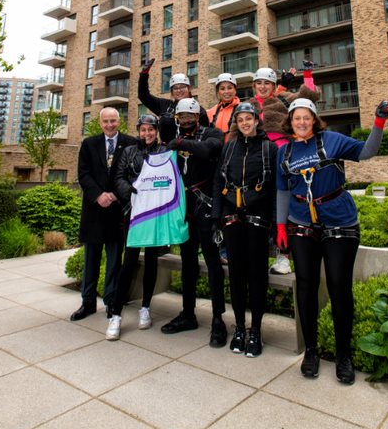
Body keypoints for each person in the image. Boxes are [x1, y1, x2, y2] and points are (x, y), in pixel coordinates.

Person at [276, 97, 388, 384]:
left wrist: (378, 123)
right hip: (302, 222)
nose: (301, 122)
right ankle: (311, 352)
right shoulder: (285, 152)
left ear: (314, 120)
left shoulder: (331, 140)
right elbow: (282, 191)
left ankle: (344, 355)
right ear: (289, 122)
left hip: (339, 219)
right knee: (305, 285)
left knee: (340, 287)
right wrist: (281, 226)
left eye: (306, 117)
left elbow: (366, 152)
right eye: (296, 118)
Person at [160, 98, 227, 347]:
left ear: (198, 116)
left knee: (212, 263)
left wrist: (178, 143)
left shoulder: (212, 132)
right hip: (183, 206)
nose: (187, 119)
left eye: (191, 115)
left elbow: (209, 150)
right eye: (182, 116)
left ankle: (218, 319)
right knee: (188, 262)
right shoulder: (173, 133)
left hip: (206, 204)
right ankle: (188, 314)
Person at [212, 102, 277, 357]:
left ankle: (256, 330)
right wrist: (217, 217)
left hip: (258, 215)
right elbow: (219, 182)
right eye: (241, 120)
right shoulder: (229, 148)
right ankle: (239, 327)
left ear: (256, 121)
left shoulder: (268, 148)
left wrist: (273, 224)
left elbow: (274, 187)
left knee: (257, 275)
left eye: (249, 119)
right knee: (237, 274)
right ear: (236, 123)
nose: (245, 123)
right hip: (232, 216)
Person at [249, 65, 320, 275]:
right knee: (259, 207)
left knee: (282, 207)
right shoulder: (249, 105)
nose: (263, 87)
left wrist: (307, 76)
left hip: (282, 158)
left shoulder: (283, 98)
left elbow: (309, 97)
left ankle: (283, 256)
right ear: (254, 86)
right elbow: (237, 132)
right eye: (259, 83)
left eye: (267, 83)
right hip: (257, 160)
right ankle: (258, 253)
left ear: (273, 85)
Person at [70, 107, 137, 321]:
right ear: (100, 123)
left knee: (115, 260)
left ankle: (111, 302)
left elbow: (133, 174)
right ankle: (87, 302)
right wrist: (98, 195)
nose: (110, 125)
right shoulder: (89, 144)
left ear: (120, 121)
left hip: (118, 211)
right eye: (106, 121)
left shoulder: (131, 143)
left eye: (113, 121)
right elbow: (83, 174)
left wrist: (117, 194)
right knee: (91, 259)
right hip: (94, 210)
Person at [105, 114, 166, 340]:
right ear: (138, 131)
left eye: (151, 130)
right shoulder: (129, 151)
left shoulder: (164, 152)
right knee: (129, 262)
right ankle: (116, 314)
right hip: (133, 212)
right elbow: (118, 177)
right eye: (143, 130)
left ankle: (146, 308)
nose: (147, 134)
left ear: (156, 131)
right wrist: (129, 192)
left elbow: (169, 179)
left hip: (155, 213)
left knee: (151, 260)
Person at [138, 58, 209, 143]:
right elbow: (144, 96)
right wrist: (143, 76)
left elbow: (205, 134)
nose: (179, 90)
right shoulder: (165, 105)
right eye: (175, 88)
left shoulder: (199, 111)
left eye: (182, 87)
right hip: (167, 151)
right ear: (171, 92)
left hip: (190, 151)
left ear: (189, 88)